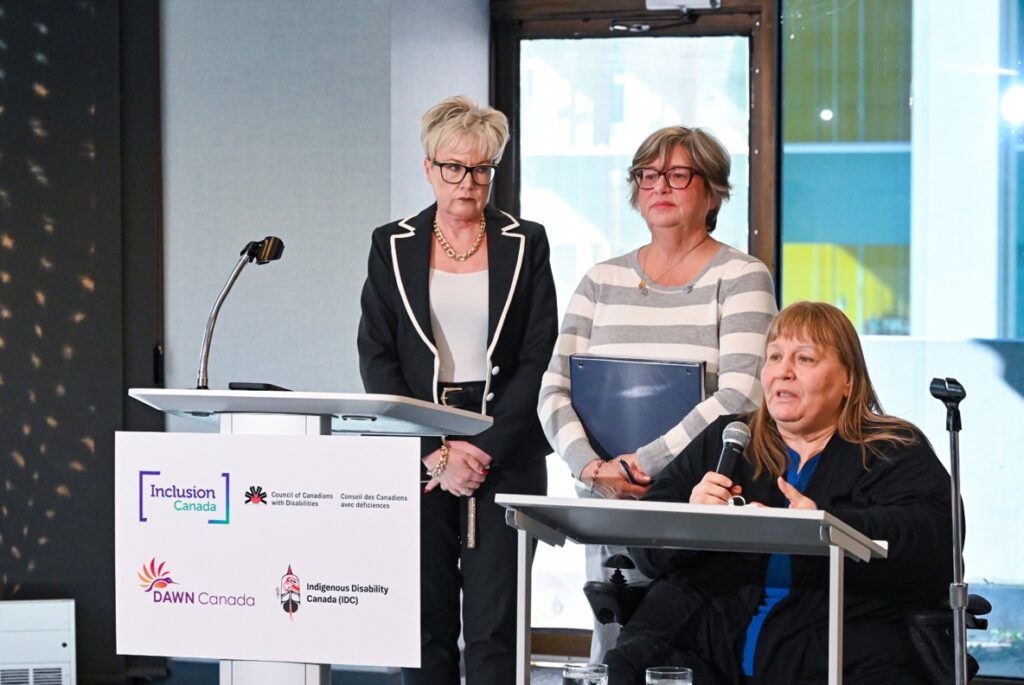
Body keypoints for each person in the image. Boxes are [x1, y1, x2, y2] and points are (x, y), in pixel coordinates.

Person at [605, 301, 956, 685]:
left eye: (804, 359)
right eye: (774, 357)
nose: (783, 372)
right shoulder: (726, 438)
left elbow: (934, 541)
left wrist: (826, 527)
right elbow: (646, 545)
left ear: (848, 380)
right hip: (704, 642)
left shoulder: (892, 447)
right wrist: (692, 518)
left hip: (838, 647)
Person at [537, 125, 777, 660]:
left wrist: (642, 466)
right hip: (605, 498)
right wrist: (591, 470)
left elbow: (740, 394)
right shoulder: (601, 279)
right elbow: (553, 387)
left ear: (713, 191)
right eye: (647, 175)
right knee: (611, 646)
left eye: (677, 174)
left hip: (693, 499)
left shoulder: (741, 275)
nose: (658, 186)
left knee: (679, 650)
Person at [357, 95, 558, 685]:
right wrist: (439, 451)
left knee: (497, 624)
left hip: (507, 444)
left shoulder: (528, 241)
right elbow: (378, 356)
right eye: (453, 167)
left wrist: (480, 446)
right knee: (424, 621)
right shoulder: (390, 244)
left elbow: (537, 355)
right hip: (420, 443)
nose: (467, 182)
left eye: (481, 169)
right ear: (428, 168)